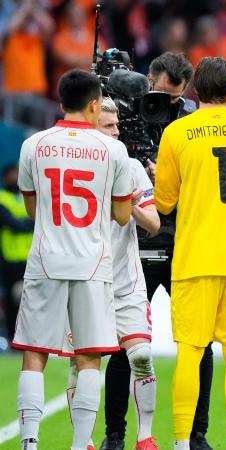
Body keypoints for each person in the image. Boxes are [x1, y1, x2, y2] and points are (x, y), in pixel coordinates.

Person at [13, 69, 133, 450]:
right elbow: (123, 215)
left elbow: (33, 208)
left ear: (60, 100)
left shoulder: (33, 144)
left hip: (46, 259)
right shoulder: (114, 150)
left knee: (34, 354)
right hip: (93, 263)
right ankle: (81, 443)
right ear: (96, 104)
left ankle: (29, 442)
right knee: (89, 357)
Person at [102, 52, 213, 450]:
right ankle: (115, 434)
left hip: (181, 240)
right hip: (135, 243)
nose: (165, 104)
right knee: (124, 345)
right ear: (147, 79)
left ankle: (197, 434)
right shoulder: (118, 118)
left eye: (175, 98)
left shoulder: (191, 124)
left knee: (197, 343)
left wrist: (167, 180)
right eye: (160, 94)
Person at [154, 56, 226, 450]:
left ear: (195, 91)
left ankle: (182, 443)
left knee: (189, 350)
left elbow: (164, 203)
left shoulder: (177, 132)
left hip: (194, 257)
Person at [64, 97, 161, 450]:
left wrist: (128, 202)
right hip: (86, 281)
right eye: (109, 126)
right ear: (91, 126)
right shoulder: (74, 166)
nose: (117, 132)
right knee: (81, 365)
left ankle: (145, 436)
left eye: (118, 125)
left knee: (141, 355)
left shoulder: (132, 168)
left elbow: (153, 223)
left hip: (125, 281)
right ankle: (84, 441)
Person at [0, 164, 34, 342]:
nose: (16, 177)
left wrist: (25, 224)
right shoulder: (2, 198)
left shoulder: (25, 198)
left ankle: (31, 338)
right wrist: (27, 223)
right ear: (5, 177)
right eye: (13, 174)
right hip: (10, 259)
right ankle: (13, 339)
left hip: (31, 258)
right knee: (13, 301)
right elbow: (15, 225)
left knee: (32, 302)